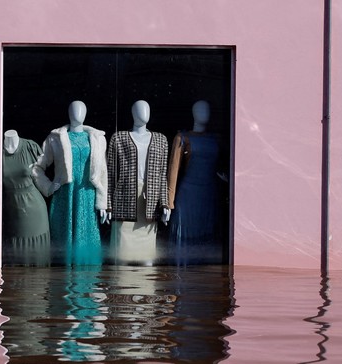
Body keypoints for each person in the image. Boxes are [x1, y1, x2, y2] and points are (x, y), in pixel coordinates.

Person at [32, 100, 108, 266]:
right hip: (65, 196)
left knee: (88, 243)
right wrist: (49, 186)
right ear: (68, 112)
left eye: (81, 110)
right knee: (63, 244)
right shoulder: (55, 138)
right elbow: (37, 167)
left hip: (87, 195)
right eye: (74, 110)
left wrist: (102, 203)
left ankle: (88, 285)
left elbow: (102, 172)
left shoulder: (98, 138)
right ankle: (62, 285)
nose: (78, 113)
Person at [106, 99, 171, 265]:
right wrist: (108, 205)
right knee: (121, 260)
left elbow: (162, 176)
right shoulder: (118, 138)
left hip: (149, 203)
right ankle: (121, 291)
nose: (145, 113)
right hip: (124, 202)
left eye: (147, 109)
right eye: (140, 109)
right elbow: (110, 174)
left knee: (147, 262)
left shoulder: (161, 140)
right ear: (133, 113)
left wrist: (165, 204)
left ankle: (146, 291)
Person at [167, 99, 224, 264]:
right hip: (188, 195)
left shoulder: (216, 139)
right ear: (192, 113)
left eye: (207, 110)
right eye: (200, 110)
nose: (204, 114)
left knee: (206, 235)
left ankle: (204, 271)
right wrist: (169, 203)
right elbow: (173, 171)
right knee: (187, 234)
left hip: (209, 194)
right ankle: (182, 270)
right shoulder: (183, 138)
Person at [1, 129, 49, 265]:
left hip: (35, 208)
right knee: (14, 257)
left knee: (36, 257)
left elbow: (42, 174)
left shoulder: (30, 147)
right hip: (11, 210)